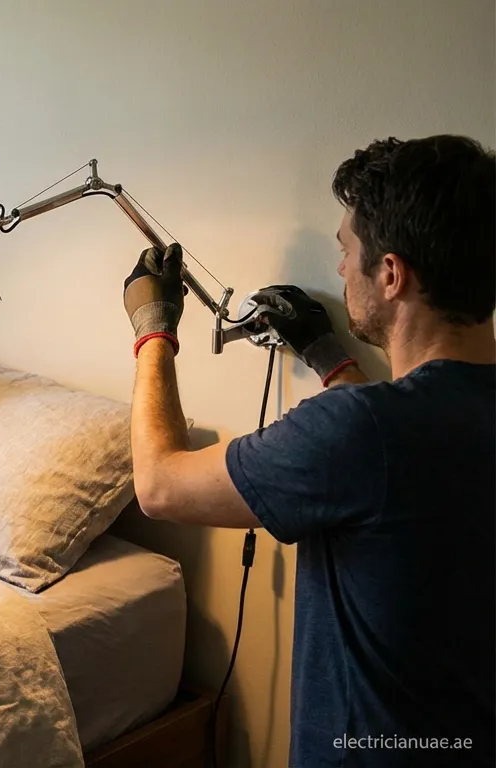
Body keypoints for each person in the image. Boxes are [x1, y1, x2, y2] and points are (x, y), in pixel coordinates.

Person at [121, 134, 495, 767]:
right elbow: (400, 466)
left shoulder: (362, 432)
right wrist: (327, 356)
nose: (342, 269)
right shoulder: (411, 427)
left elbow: (159, 486)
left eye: (346, 251)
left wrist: (151, 331)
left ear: (393, 273)